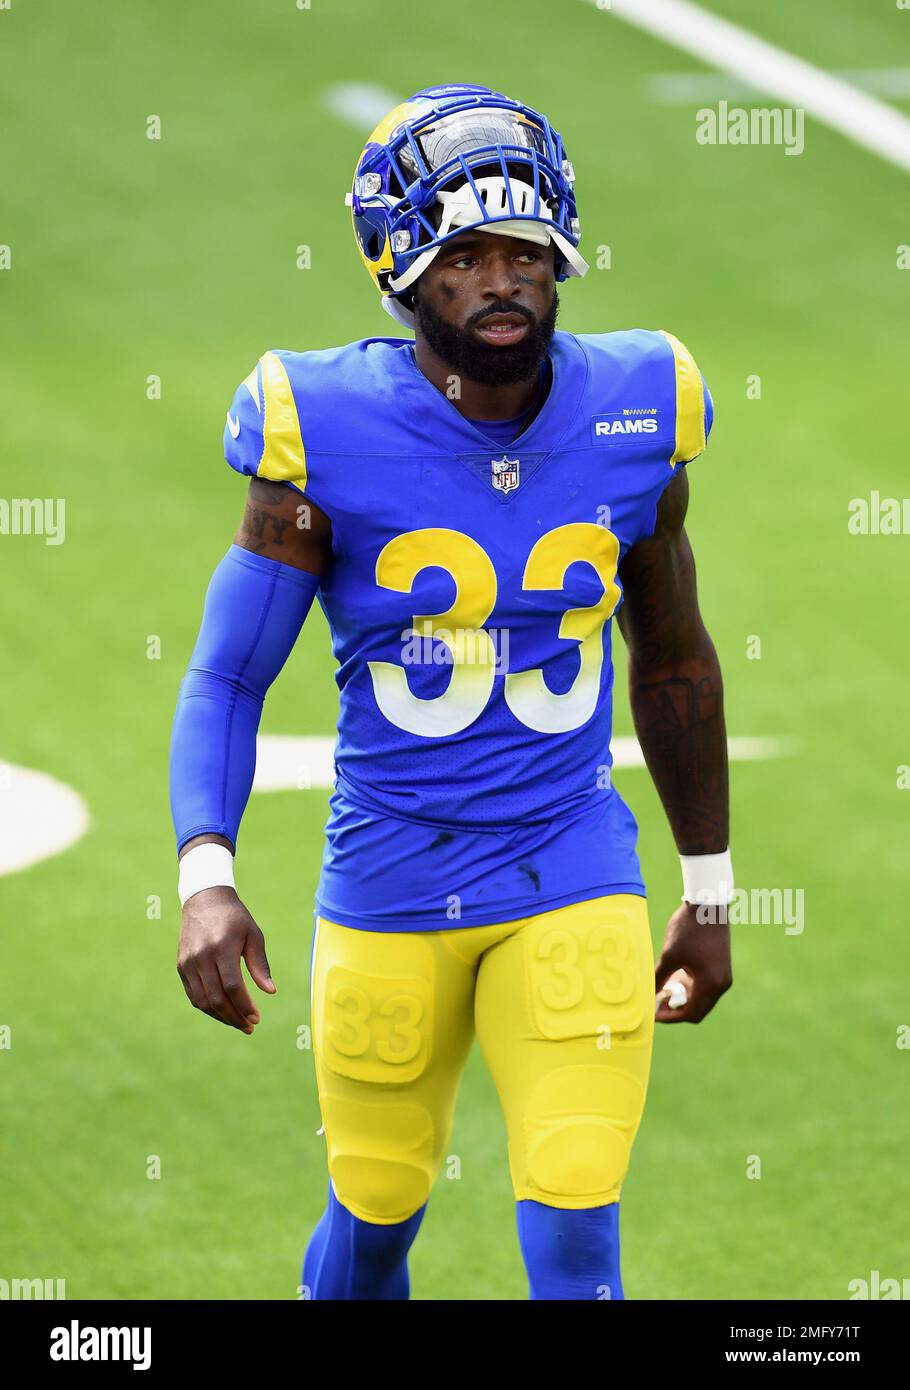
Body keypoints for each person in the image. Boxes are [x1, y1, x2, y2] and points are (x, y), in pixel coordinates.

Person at [169, 82, 732, 1300]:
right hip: (388, 878)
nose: (501, 282)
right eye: (464, 254)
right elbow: (228, 669)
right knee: (374, 1222)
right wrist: (205, 875)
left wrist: (711, 886)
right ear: (401, 268)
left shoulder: (641, 404)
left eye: (522, 252)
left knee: (578, 1219)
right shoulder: (317, 421)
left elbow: (673, 652)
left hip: (570, 866)